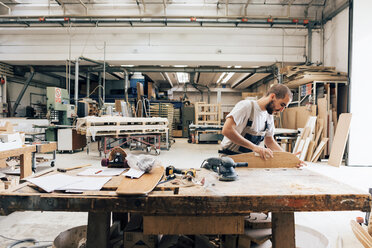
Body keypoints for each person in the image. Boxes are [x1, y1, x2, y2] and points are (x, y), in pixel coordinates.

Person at [220, 84, 299, 162]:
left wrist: (289, 157)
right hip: (229, 158)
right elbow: (227, 130)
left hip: (248, 159)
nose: (282, 110)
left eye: (284, 107)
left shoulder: (268, 116)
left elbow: (269, 141)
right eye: (282, 105)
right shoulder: (246, 106)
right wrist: (254, 147)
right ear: (272, 96)